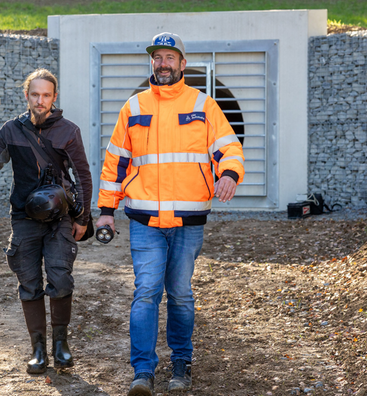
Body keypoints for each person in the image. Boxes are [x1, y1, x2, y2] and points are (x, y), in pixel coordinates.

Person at [96, 32, 245, 395]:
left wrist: (228, 173)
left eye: (169, 57)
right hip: (145, 220)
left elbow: (230, 147)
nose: (162, 64)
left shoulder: (204, 105)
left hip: (188, 221)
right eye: (157, 57)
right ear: (152, 63)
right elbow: (115, 163)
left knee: (180, 294)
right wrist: (105, 211)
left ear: (182, 63)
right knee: (145, 292)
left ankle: (182, 363)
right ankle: (142, 373)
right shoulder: (133, 108)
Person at [0, 68, 92, 374]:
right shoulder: (11, 130)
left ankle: (61, 345)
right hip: (23, 217)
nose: (40, 100)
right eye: (35, 94)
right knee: (29, 283)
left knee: (60, 278)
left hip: (60, 218)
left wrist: (83, 218)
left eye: (46, 95)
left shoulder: (68, 131)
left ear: (54, 97)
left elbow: (83, 177)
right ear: (26, 96)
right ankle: (38, 350)